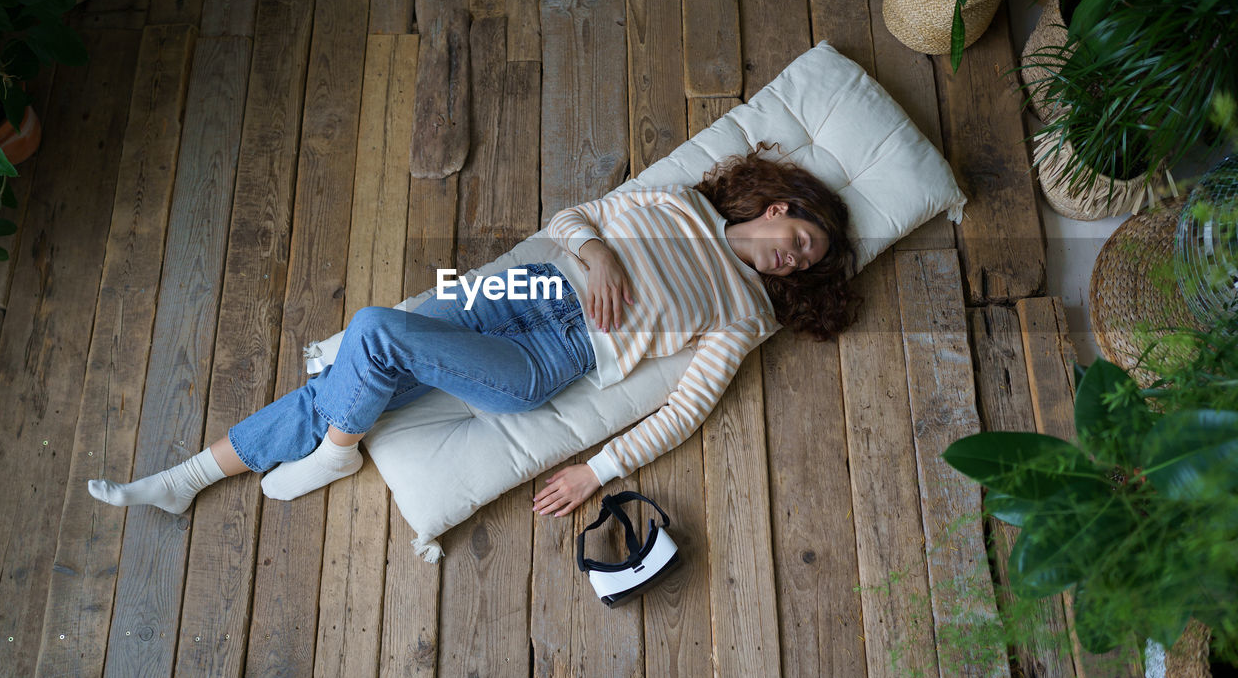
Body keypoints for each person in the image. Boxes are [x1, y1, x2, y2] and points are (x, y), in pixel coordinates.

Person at [88, 145, 858, 519]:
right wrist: (594, 258)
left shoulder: (747, 312)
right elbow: (573, 218)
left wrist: (598, 470)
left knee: (374, 331)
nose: (795, 258)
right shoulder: (680, 201)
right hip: (532, 284)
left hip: (550, 354)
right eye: (804, 238)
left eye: (806, 264)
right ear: (781, 210)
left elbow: (687, 410)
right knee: (351, 370)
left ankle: (336, 451)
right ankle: (186, 479)